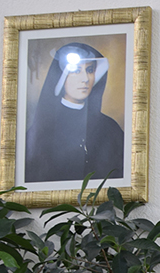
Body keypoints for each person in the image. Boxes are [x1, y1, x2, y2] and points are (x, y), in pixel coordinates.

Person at [25, 42, 125, 184]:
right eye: (76, 70)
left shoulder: (110, 128)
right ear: (60, 76)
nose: (85, 78)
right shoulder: (41, 132)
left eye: (90, 70)